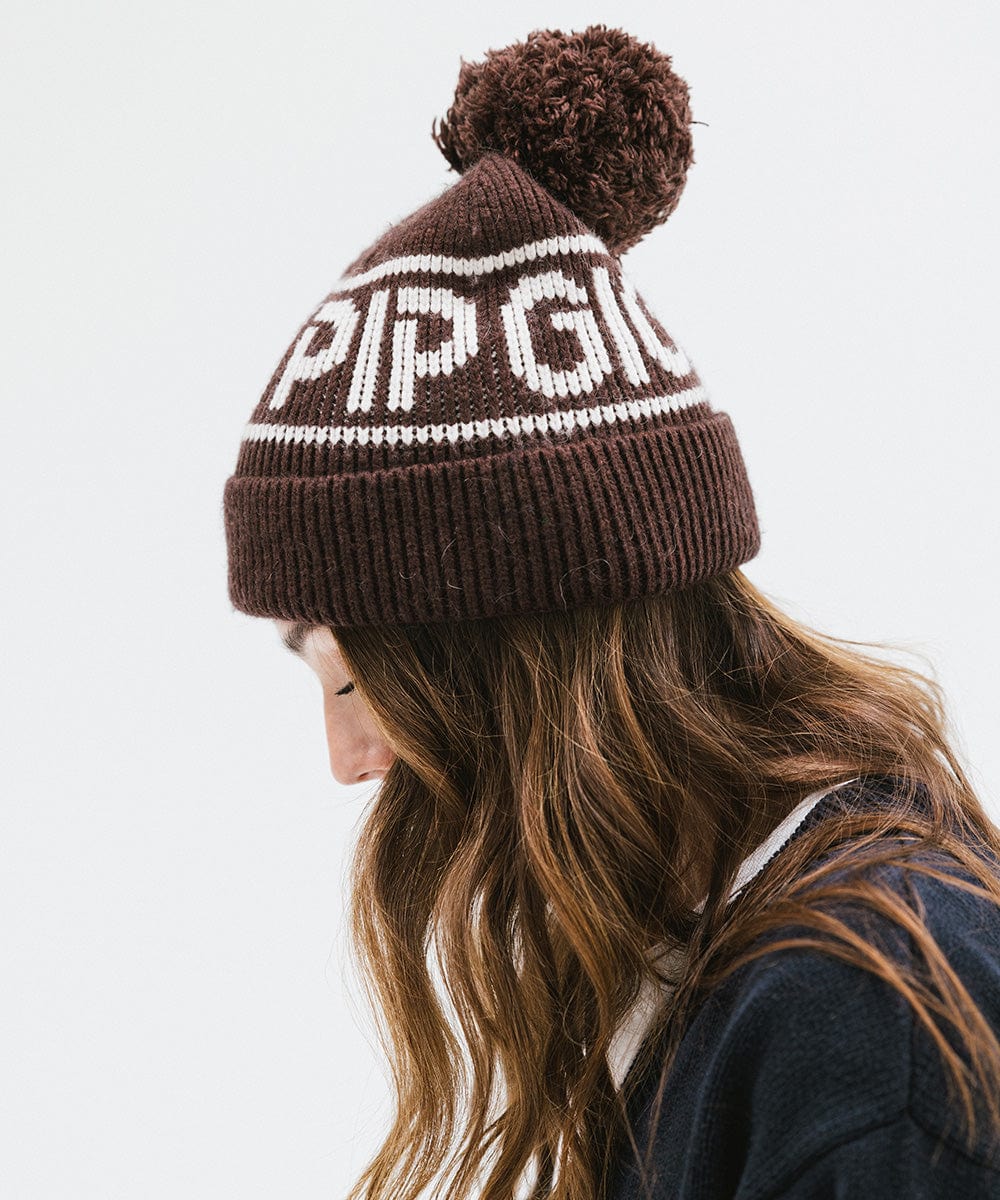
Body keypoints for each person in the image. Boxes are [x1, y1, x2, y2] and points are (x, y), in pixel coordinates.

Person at [222, 24, 1000, 1200]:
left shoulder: (867, 1029)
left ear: (510, 651)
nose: (349, 758)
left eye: (349, 676)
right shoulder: (742, 976)